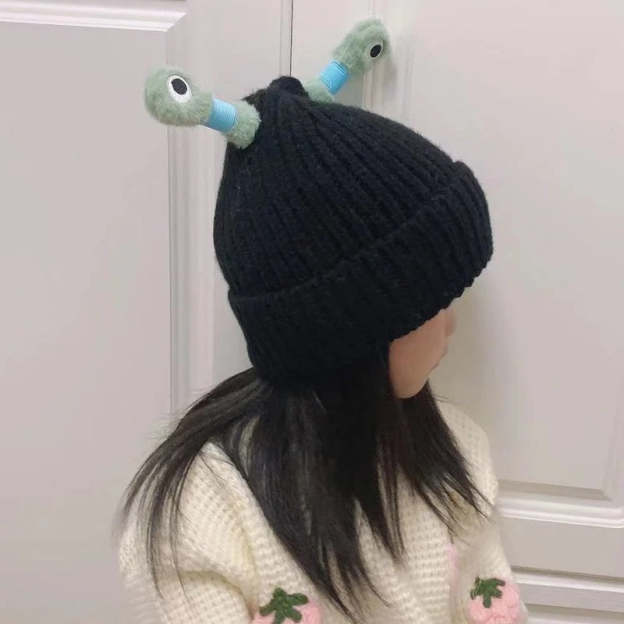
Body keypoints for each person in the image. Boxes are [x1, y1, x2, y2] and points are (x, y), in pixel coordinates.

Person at [114, 18, 529, 624]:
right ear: (349, 327)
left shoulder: (455, 452)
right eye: (433, 301)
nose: (451, 325)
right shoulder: (203, 509)